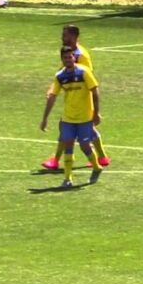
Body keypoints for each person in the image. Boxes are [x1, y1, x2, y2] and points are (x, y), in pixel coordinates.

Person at [42, 26, 110, 170]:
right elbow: (62, 72)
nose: (62, 38)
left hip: (83, 98)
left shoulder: (81, 55)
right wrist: (53, 88)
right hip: (74, 97)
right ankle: (102, 157)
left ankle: (56, 159)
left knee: (65, 126)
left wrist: (95, 109)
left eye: (65, 35)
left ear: (73, 36)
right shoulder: (69, 52)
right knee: (88, 129)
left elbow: (87, 76)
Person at [40, 46, 103, 188]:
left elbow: (95, 91)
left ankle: (96, 166)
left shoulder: (84, 72)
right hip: (68, 118)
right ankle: (68, 179)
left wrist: (96, 112)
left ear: (74, 57)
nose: (68, 60)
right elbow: (52, 97)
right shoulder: (60, 76)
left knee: (85, 146)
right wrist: (45, 118)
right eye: (65, 58)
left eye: (70, 57)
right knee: (68, 145)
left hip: (85, 117)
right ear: (62, 59)